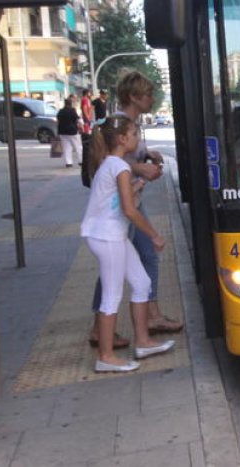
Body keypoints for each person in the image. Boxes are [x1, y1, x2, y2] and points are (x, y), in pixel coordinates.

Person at [88, 70, 184, 348]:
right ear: (134, 97)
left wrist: (146, 155)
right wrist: (140, 167)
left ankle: (147, 321)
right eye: (148, 94)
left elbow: (123, 158)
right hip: (122, 209)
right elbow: (110, 162)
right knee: (118, 268)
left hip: (128, 204)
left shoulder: (129, 123)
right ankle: (104, 335)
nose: (152, 99)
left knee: (144, 261)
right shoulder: (121, 125)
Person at [82, 116, 175, 372]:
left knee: (142, 283)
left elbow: (122, 199)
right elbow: (130, 210)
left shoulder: (113, 164)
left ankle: (143, 341)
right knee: (111, 296)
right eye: (135, 134)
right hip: (106, 236)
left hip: (112, 234)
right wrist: (154, 235)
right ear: (122, 139)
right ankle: (106, 356)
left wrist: (144, 181)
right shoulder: (119, 167)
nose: (138, 139)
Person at [56, 96, 82, 168]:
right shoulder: (72, 110)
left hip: (63, 132)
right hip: (72, 131)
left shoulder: (60, 111)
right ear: (71, 104)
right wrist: (81, 126)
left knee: (66, 147)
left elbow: (58, 121)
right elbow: (77, 119)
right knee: (78, 146)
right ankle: (80, 161)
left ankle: (68, 162)